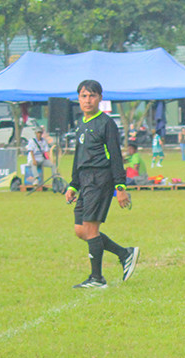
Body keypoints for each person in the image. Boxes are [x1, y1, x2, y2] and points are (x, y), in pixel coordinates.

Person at [64, 79, 139, 289]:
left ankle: (97, 278)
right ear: (78, 99)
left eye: (92, 96)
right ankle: (125, 254)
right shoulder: (81, 124)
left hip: (100, 180)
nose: (88, 100)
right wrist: (73, 185)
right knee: (81, 230)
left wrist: (120, 188)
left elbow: (116, 157)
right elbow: (79, 157)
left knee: (90, 228)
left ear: (100, 98)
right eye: (84, 96)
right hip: (85, 181)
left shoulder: (106, 124)